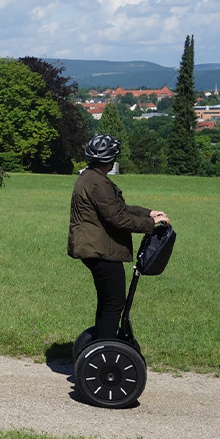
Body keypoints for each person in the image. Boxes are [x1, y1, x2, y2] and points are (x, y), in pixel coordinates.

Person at [67, 134, 168, 340]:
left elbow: (116, 208)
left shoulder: (90, 177)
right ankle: (105, 347)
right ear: (111, 159)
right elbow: (119, 219)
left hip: (94, 248)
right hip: (100, 250)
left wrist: (148, 213)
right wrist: (151, 224)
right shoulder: (98, 183)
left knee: (107, 300)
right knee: (114, 302)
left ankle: (101, 344)